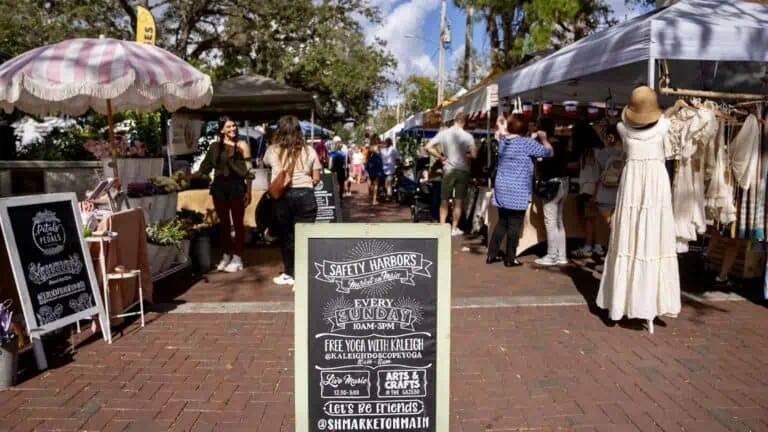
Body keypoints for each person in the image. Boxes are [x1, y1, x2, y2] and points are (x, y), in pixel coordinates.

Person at [596, 86, 680, 327]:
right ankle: (641, 304)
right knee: (649, 239)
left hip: (634, 186)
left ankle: (626, 302)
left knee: (632, 239)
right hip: (652, 186)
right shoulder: (662, 126)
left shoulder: (624, 128)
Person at [488, 113, 553, 267]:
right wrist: (543, 139)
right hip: (518, 190)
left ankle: (492, 254)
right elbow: (548, 152)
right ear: (526, 128)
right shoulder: (526, 144)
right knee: (515, 226)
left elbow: (505, 133)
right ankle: (510, 258)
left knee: (502, 223)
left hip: (502, 188)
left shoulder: (503, 142)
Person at [263, 115, 322, 287]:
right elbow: (316, 178)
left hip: (283, 197)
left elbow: (266, 164)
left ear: (279, 130)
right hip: (306, 197)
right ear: (299, 131)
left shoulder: (272, 150)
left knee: (287, 237)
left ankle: (289, 273)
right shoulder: (309, 150)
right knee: (305, 238)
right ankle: (304, 277)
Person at [188, 117, 252, 273]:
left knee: (237, 224)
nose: (233, 129)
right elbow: (204, 168)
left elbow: (249, 171)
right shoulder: (214, 147)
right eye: (229, 127)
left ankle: (238, 257)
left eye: (234, 126)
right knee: (223, 224)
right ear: (222, 130)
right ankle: (226, 256)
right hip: (219, 188)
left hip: (237, 187)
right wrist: (186, 178)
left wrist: (249, 191)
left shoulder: (243, 145)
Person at [423, 113, 478, 236]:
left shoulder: (444, 133)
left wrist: (441, 157)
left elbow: (427, 147)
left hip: (448, 170)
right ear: (464, 122)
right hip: (463, 170)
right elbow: (474, 155)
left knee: (444, 200)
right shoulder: (468, 136)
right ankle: (454, 228)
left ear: (454, 121)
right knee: (458, 201)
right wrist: (465, 155)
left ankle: (442, 226)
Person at [534, 118, 571, 267]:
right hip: (564, 183)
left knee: (551, 221)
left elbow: (549, 155)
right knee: (559, 221)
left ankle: (552, 255)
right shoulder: (561, 144)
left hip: (552, 185)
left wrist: (542, 140)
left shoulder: (548, 145)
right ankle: (561, 255)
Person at [592, 125, 623, 271]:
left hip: (604, 194)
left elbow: (597, 176)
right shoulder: (626, 154)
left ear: (610, 137)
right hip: (620, 194)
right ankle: (613, 259)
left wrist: (593, 195)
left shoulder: (601, 154)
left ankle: (611, 261)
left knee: (611, 227)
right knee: (616, 228)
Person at [571, 123, 603, 259]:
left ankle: (588, 247)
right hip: (592, 189)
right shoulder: (596, 151)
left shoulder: (590, 153)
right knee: (593, 220)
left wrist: (595, 193)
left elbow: (596, 175)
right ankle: (596, 246)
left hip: (590, 190)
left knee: (589, 220)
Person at [365, 139, 385, 206]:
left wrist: (367, 169)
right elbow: (380, 164)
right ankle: (374, 200)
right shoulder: (377, 154)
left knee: (372, 185)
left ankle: (372, 198)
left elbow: (367, 163)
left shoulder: (370, 154)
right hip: (377, 171)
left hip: (371, 171)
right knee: (376, 185)